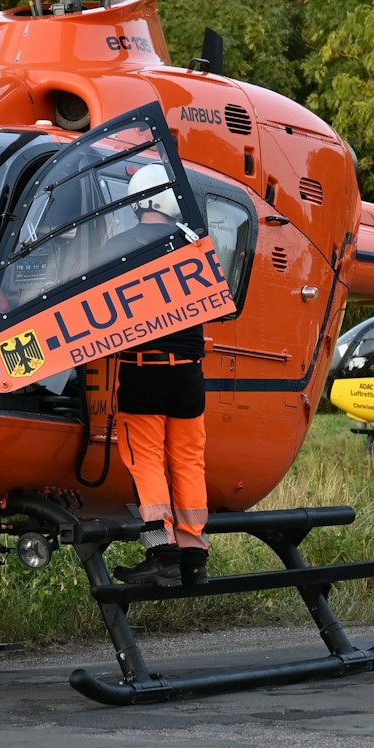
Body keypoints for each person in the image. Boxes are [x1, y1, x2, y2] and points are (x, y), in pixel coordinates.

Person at [110, 165, 209, 588]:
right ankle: (193, 554)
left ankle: (160, 552)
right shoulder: (193, 246)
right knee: (188, 462)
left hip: (143, 371)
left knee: (146, 461)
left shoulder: (120, 248)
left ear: (137, 201)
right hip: (189, 375)